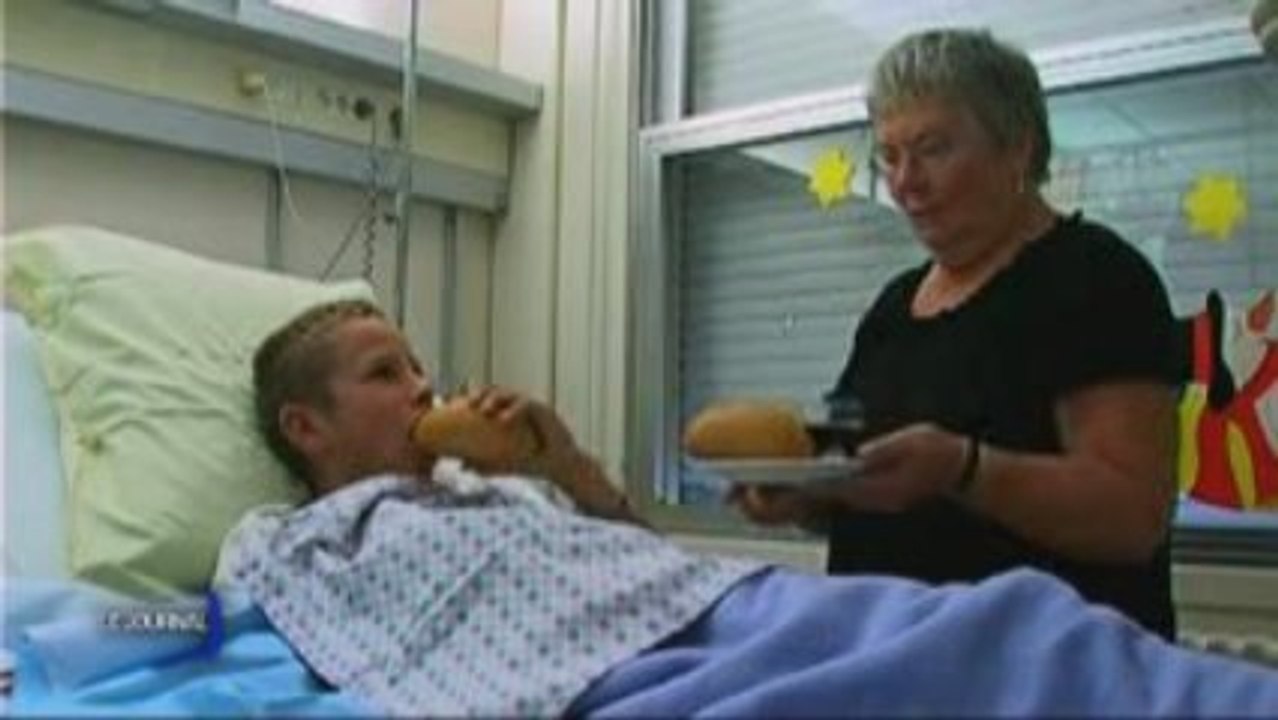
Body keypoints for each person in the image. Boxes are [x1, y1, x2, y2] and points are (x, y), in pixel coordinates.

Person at [214, 297, 1278, 717]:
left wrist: (565, 457)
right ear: (306, 428)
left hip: (734, 607)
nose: (423, 388)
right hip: (624, 679)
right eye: (384, 374)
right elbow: (159, 625)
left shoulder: (491, 486)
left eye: (415, 364)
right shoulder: (282, 543)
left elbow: (637, 556)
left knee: (1016, 624)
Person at [731, 28, 1181, 639]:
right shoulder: (893, 308)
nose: (905, 181)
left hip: (1045, 675)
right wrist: (802, 498)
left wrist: (961, 470)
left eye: (932, 148)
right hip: (895, 662)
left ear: (1017, 148)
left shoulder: (1097, 279)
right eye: (888, 156)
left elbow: (1132, 517)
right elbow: (859, 482)